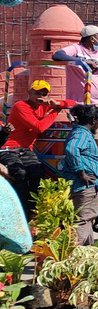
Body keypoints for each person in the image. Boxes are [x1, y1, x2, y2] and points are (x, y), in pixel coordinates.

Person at [0, 79, 73, 216]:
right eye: (37, 93)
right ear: (29, 92)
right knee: (19, 173)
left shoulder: (44, 105)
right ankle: (20, 211)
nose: (40, 96)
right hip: (9, 148)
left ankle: (33, 211)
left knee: (37, 173)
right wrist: (55, 111)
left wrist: (58, 104)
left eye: (44, 94)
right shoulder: (20, 106)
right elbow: (39, 127)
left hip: (26, 149)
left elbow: (72, 103)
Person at [52, 25, 98, 140]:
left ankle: (93, 156)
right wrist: (83, 61)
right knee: (79, 133)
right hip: (79, 103)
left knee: (96, 133)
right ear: (92, 39)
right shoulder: (76, 49)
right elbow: (57, 55)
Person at [61, 104, 98, 245]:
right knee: (83, 220)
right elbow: (72, 149)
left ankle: (88, 257)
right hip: (85, 186)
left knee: (86, 221)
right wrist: (81, 172)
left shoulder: (80, 133)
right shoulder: (81, 134)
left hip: (86, 186)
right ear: (93, 120)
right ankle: (75, 258)